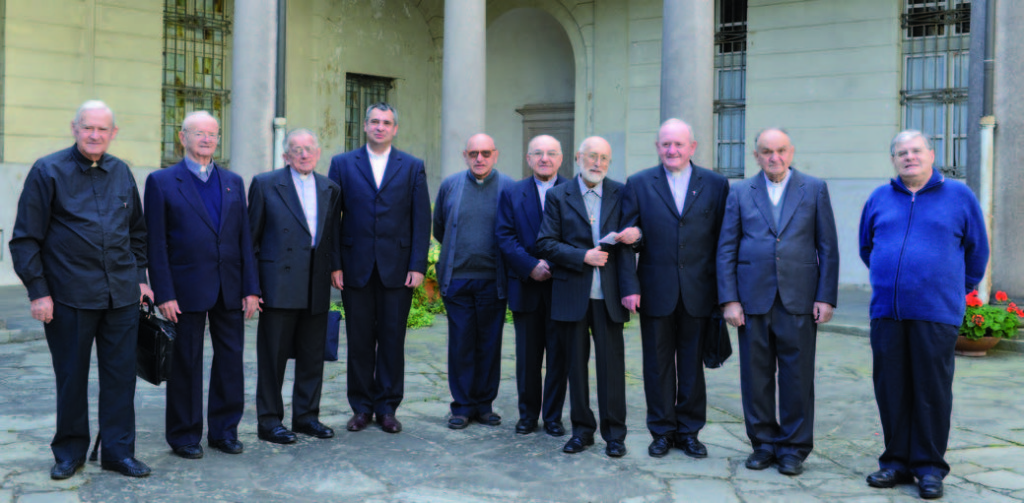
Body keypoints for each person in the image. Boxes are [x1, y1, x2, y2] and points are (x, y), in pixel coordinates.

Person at [10, 100, 154, 479]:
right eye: (87, 127)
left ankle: (118, 452)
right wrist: (38, 291)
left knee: (121, 378)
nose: (94, 135)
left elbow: (137, 232)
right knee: (71, 377)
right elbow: (25, 239)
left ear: (113, 133)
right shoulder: (48, 170)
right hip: (69, 295)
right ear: (74, 128)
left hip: (121, 295)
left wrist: (140, 278)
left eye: (102, 129)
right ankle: (69, 453)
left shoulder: (122, 171)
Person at [859, 130, 988, 500]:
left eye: (916, 150)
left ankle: (930, 468)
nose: (909, 157)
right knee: (891, 389)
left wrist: (946, 288)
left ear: (931, 154)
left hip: (936, 314)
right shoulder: (879, 198)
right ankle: (895, 462)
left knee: (931, 391)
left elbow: (976, 253)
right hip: (888, 312)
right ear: (894, 159)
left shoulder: (959, 196)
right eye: (902, 152)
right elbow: (867, 247)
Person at [716, 128, 839, 476]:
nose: (775, 157)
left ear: (792, 151)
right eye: (766, 151)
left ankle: (794, 449)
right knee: (756, 377)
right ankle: (763, 444)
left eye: (781, 150)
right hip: (752, 299)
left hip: (799, 298)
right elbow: (726, 247)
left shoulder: (814, 188)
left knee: (797, 377)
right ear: (756, 156)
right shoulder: (740, 191)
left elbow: (827, 246)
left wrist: (825, 296)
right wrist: (729, 300)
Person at [145, 111, 260, 457]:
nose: (207, 139)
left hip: (229, 287)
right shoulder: (162, 181)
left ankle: (224, 431)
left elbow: (244, 240)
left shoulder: (233, 181)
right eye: (199, 133)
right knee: (186, 363)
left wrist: (251, 288)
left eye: (213, 134)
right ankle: (184, 435)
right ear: (182, 138)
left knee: (230, 360)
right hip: (184, 289)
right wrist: (164, 292)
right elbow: (156, 243)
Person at [619, 119, 729, 458]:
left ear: (692, 147)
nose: (672, 150)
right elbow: (625, 239)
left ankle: (689, 432)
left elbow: (725, 242)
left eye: (679, 144)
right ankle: (662, 432)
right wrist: (629, 286)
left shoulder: (715, 184)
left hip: (700, 291)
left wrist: (726, 295)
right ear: (657, 147)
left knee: (692, 366)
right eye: (666, 144)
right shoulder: (638, 183)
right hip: (654, 290)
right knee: (657, 364)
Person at [328, 103, 431, 434]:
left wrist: (417, 264)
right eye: (374, 121)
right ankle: (360, 407)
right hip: (355, 266)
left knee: (391, 340)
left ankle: (387, 407)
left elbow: (421, 219)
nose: (380, 127)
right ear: (365, 126)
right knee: (358, 341)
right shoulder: (343, 164)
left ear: (395, 129)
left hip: (397, 269)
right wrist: (336, 265)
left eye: (386, 123)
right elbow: (332, 219)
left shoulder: (412, 166)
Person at [536, 136, 639, 457]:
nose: (598, 163)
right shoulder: (558, 196)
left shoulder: (621, 193)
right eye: (592, 156)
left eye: (604, 158)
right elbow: (545, 243)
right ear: (578, 158)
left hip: (609, 296)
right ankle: (582, 430)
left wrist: (630, 283)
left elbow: (628, 245)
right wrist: (583, 256)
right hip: (572, 292)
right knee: (574, 367)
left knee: (612, 367)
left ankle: (615, 434)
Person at [248, 129, 342, 443]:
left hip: (315, 283)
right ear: (286, 155)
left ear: (318, 153)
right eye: (296, 149)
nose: (303, 154)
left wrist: (337, 269)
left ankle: (306, 416)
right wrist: (252, 286)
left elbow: (333, 236)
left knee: (312, 355)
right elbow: (251, 240)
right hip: (278, 284)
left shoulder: (331, 187)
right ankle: (269, 421)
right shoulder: (265, 184)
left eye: (309, 149)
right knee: (273, 358)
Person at [434, 133, 515, 430]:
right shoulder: (450, 186)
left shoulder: (509, 187)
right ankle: (462, 406)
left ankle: (484, 405)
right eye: (473, 153)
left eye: (485, 153)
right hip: (457, 280)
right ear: (465, 155)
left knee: (489, 344)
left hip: (493, 280)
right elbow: (440, 228)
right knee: (461, 343)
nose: (479, 158)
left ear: (495, 154)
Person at [496, 135, 570, 436]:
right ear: (528, 159)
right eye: (538, 153)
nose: (544, 158)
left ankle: (552, 417)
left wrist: (554, 264)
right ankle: (527, 415)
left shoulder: (572, 192)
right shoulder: (512, 192)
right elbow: (504, 236)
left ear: (561, 158)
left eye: (551, 153)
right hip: (526, 286)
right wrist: (530, 266)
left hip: (562, 286)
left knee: (559, 356)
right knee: (527, 358)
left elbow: (578, 237)